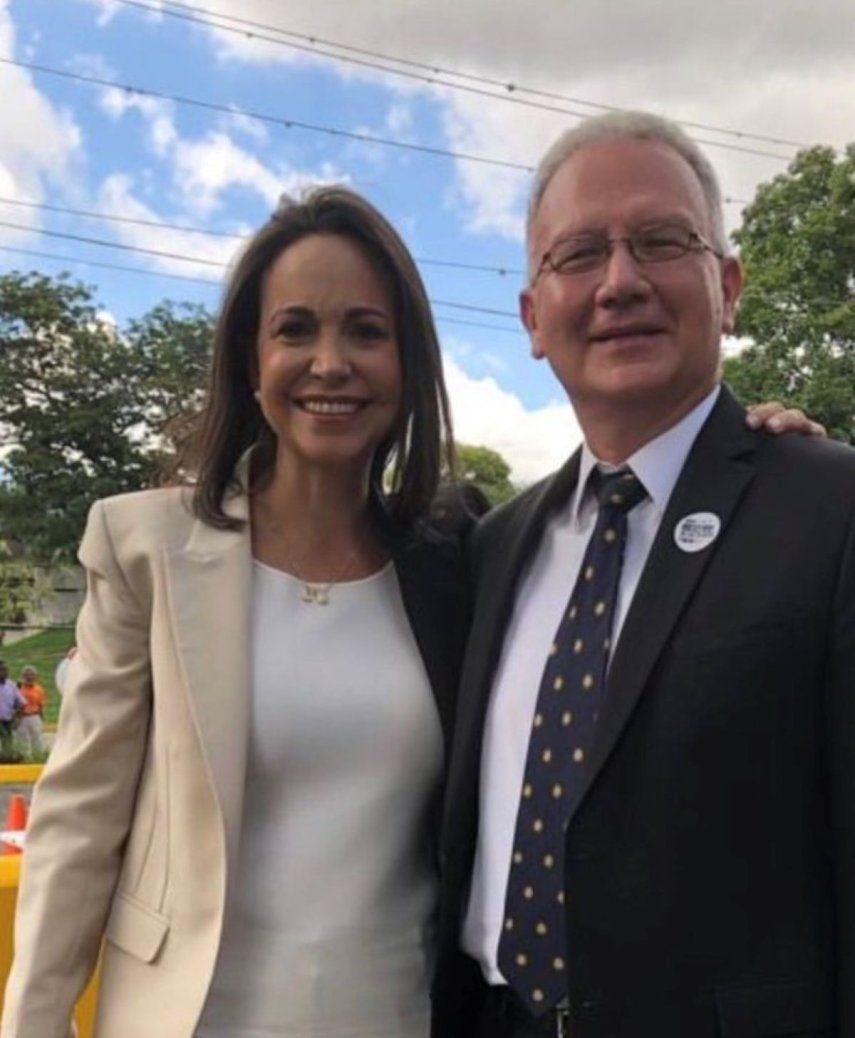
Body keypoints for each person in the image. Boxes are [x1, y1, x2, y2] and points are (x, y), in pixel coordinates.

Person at [1, 186, 469, 1038]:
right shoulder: (145, 547)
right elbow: (78, 820)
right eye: (295, 329)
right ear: (251, 365)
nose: (330, 362)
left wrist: (767, 462)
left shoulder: (459, 560)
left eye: (366, 331)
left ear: (407, 362)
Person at [433, 110, 854, 1038]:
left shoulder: (830, 511)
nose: (619, 282)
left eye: (660, 241)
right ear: (533, 319)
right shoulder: (492, 548)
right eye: (577, 255)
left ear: (728, 287)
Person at [15, 666, 46, 759]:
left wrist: (41, 718)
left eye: (32, 675)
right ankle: (25, 759)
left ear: (36, 676)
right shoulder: (18, 688)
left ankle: (38, 757)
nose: (29, 677)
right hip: (22, 717)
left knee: (37, 739)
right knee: (23, 739)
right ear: (22, 676)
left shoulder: (39, 689)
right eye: (27, 675)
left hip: (34, 716)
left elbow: (41, 704)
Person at [0, 661, 25, 758]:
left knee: (7, 743)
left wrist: (17, 718)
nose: (4, 672)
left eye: (5, 670)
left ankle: (6, 762)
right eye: (1, 670)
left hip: (7, 721)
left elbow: (21, 703)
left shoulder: (12, 685)